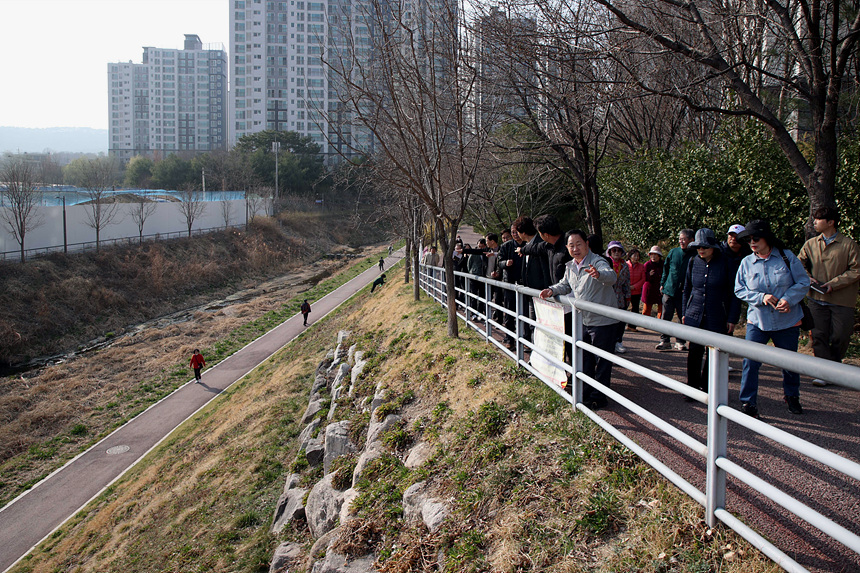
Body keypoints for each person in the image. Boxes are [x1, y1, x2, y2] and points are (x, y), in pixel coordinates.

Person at [734, 220, 810, 417]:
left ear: (766, 239)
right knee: (750, 362)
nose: (752, 242)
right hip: (757, 322)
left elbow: (803, 282)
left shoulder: (787, 257)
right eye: (749, 239)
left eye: (756, 238)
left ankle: (792, 396)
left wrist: (788, 299)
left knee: (790, 363)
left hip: (787, 321)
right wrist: (760, 298)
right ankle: (748, 402)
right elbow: (739, 290)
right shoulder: (746, 263)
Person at [540, 229, 618, 409]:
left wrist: (598, 274)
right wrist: (552, 290)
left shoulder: (598, 261)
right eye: (571, 245)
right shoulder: (571, 266)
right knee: (585, 358)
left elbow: (611, 277)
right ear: (567, 247)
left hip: (603, 320)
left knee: (603, 361)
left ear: (587, 244)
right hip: (583, 319)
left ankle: (599, 396)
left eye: (579, 244)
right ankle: (585, 391)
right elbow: (565, 284)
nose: (575, 248)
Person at [798, 206, 860, 385]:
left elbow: (856, 270)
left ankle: (834, 368)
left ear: (831, 222)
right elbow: (797, 263)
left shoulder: (849, 244)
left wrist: (833, 284)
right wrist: (807, 277)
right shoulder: (810, 244)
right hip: (816, 299)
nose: (814, 222)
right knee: (818, 335)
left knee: (840, 335)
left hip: (842, 300)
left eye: (818, 219)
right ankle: (825, 373)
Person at [682, 229, 741, 392]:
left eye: (705, 247)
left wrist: (732, 318)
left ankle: (708, 387)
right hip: (694, 314)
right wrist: (684, 312)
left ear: (713, 247)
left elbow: (734, 293)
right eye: (698, 247)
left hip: (717, 315)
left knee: (713, 354)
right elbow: (687, 288)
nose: (701, 250)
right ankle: (692, 388)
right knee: (694, 351)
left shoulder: (726, 263)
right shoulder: (693, 261)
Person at [657, 229, 695, 351]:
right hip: (669, 289)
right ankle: (664, 340)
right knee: (666, 315)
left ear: (691, 240)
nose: (681, 241)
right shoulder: (673, 252)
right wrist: (662, 283)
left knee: (682, 316)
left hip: (684, 292)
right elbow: (666, 269)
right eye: (680, 239)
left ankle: (680, 341)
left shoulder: (694, 255)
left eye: (684, 239)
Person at [515, 216, 551, 341]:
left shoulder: (539, 245)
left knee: (540, 325)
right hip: (531, 292)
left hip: (541, 292)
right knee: (533, 324)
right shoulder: (526, 245)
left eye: (518, 232)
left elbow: (545, 270)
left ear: (523, 233)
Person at [497, 223, 524, 348]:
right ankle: (509, 338)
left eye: (516, 232)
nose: (515, 235)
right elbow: (499, 262)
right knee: (509, 311)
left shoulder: (527, 245)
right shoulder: (506, 246)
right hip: (509, 283)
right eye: (513, 232)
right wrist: (505, 263)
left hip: (524, 283)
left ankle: (526, 339)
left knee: (525, 312)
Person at [606, 241, 631, 353]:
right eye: (614, 250)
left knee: (620, 322)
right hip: (607, 296)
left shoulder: (625, 265)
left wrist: (627, 297)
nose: (616, 252)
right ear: (610, 252)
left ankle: (618, 342)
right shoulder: (605, 263)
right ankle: (608, 343)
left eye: (619, 250)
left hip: (620, 296)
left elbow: (626, 283)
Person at [641, 246, 663, 319]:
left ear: (659, 256)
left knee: (661, 308)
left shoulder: (663, 264)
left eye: (655, 254)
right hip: (649, 289)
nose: (653, 256)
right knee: (646, 308)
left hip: (659, 289)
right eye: (652, 254)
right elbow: (642, 278)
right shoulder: (647, 265)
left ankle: (660, 324)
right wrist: (648, 275)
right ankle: (644, 323)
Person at [627, 248, 646, 330]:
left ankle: (632, 326)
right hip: (626, 290)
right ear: (630, 256)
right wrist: (627, 286)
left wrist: (634, 286)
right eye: (635, 256)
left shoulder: (642, 266)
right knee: (623, 308)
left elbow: (643, 279)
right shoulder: (625, 265)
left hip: (636, 291)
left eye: (638, 256)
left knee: (635, 309)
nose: (636, 258)